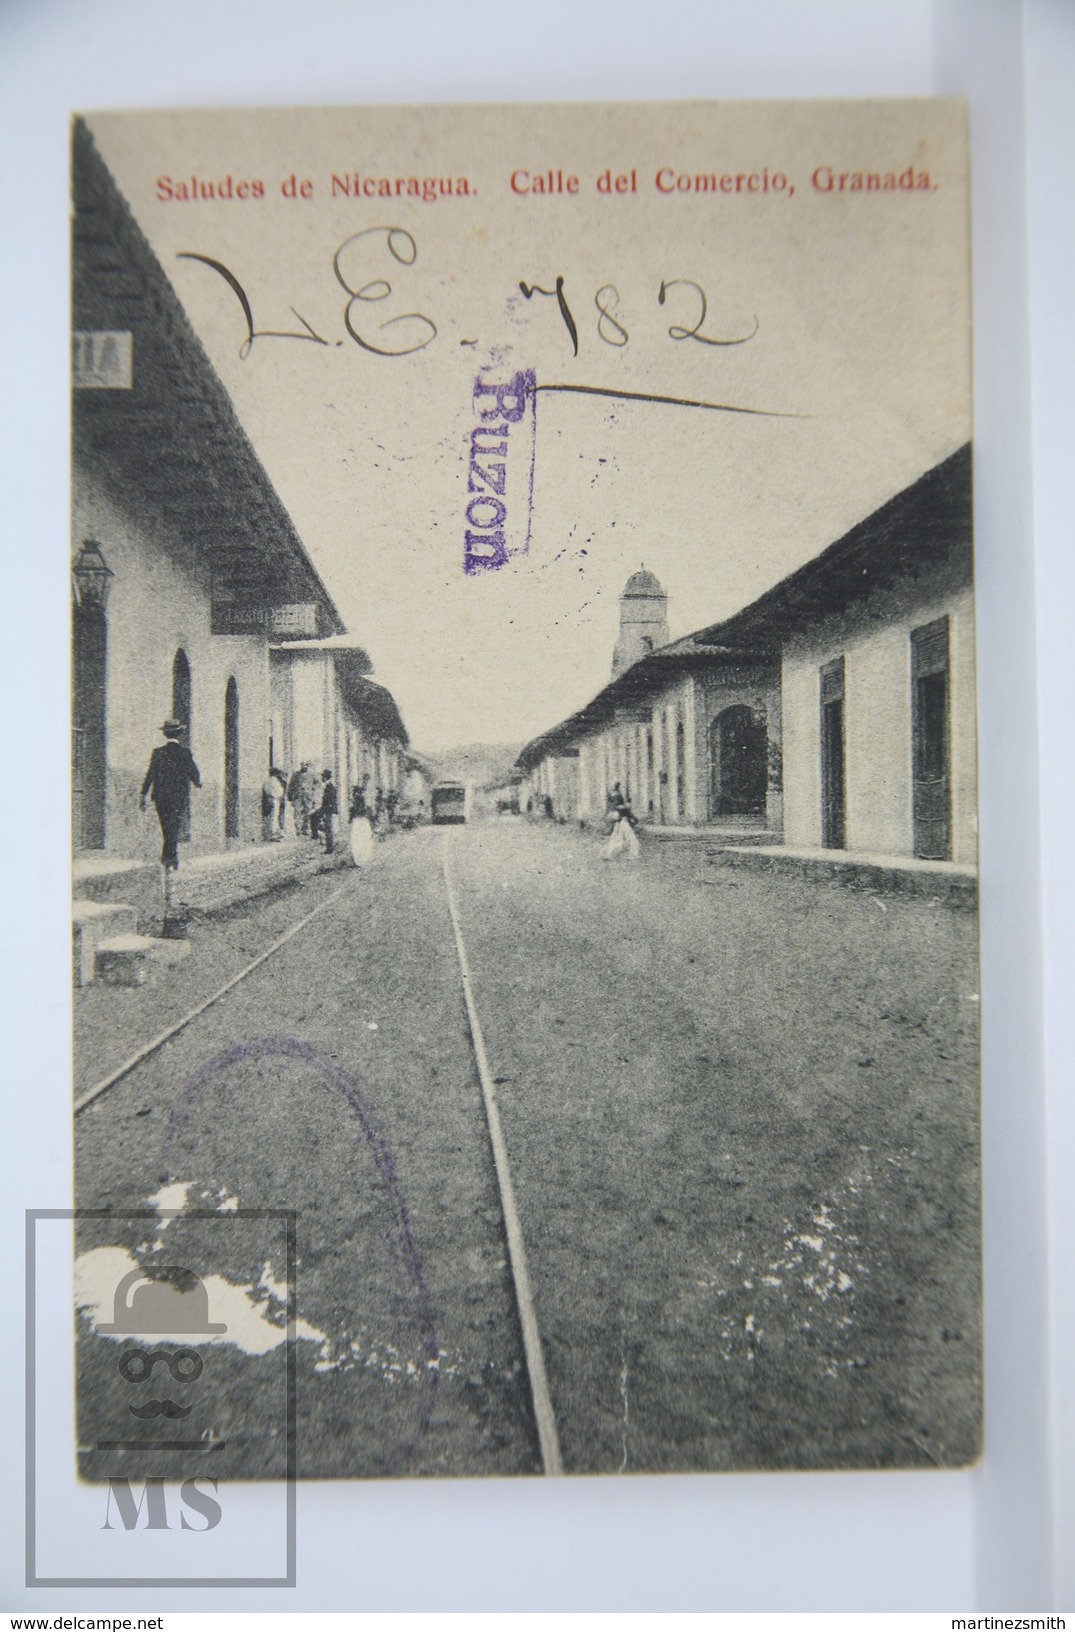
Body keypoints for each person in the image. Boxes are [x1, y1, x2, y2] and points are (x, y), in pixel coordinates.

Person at [140, 720, 201, 871]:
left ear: (165, 734)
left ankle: (168, 856)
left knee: (166, 825)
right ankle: (171, 857)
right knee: (175, 824)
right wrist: (197, 782)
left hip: (161, 796)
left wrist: (143, 793)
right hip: (179, 796)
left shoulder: (158, 752)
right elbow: (193, 770)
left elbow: (151, 774)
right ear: (179, 734)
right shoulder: (185, 752)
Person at [602, 783, 641, 861]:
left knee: (618, 838)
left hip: (620, 821)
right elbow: (621, 809)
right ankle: (628, 854)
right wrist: (629, 813)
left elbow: (617, 808)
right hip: (623, 821)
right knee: (627, 838)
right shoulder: (617, 796)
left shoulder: (614, 795)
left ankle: (611, 854)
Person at [348, 781, 374, 865]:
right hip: (362, 821)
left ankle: (360, 859)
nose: (354, 794)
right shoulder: (361, 800)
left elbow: (356, 811)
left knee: (358, 839)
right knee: (362, 839)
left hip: (358, 821)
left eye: (354, 792)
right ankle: (363, 858)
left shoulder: (358, 800)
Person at [262, 767, 287, 841]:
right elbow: (279, 791)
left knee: (271, 817)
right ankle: (272, 834)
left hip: (269, 799)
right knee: (273, 816)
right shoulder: (274, 781)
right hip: (273, 799)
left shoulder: (268, 780)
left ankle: (270, 833)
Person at [317, 769, 338, 854]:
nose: (321, 778)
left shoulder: (330, 787)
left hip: (328, 811)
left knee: (328, 829)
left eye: (322, 776)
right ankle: (329, 847)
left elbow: (329, 802)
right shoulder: (327, 786)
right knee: (327, 829)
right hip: (327, 811)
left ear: (325, 777)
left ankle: (330, 848)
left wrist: (325, 812)